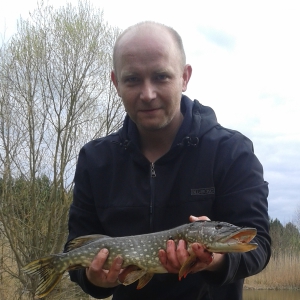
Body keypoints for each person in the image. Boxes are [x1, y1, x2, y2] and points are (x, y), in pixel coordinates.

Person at [66, 21, 271, 300]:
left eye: (161, 77)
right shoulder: (95, 160)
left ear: (185, 77)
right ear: (115, 83)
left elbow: (258, 246)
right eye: (132, 79)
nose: (147, 94)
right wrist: (95, 280)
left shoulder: (232, 152)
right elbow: (76, 253)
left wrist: (216, 261)